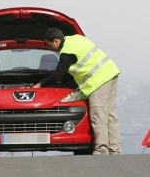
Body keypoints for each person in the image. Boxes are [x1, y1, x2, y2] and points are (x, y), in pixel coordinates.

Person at [33, 27, 121, 155]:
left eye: (49, 44)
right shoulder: (75, 39)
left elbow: (57, 75)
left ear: (56, 41)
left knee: (99, 116)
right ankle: (115, 150)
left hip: (99, 80)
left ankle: (102, 149)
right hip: (111, 73)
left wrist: (41, 84)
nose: (49, 47)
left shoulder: (67, 52)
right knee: (110, 115)